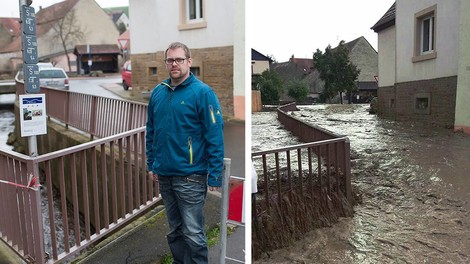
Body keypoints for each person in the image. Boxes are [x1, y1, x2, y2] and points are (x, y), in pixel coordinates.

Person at [146, 42, 224, 264]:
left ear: (189, 62)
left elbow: (214, 135)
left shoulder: (203, 93)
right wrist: (152, 164)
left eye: (179, 60)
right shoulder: (158, 93)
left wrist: (215, 175)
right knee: (175, 231)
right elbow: (151, 131)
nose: (174, 64)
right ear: (166, 63)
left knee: (193, 233)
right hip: (165, 175)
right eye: (170, 60)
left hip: (190, 175)